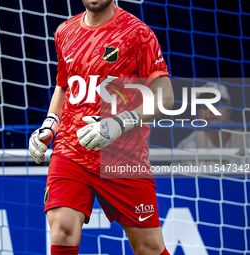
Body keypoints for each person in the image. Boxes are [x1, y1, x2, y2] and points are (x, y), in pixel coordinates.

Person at [29, 1, 174, 254]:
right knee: (62, 228)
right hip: (71, 150)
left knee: (149, 248)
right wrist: (50, 124)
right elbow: (64, 86)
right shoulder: (65, 31)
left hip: (123, 156)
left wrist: (119, 123)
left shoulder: (137, 33)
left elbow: (165, 97)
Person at [177, 82, 250, 165]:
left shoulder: (247, 141)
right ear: (198, 114)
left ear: (229, 110)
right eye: (204, 106)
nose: (211, 110)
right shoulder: (187, 146)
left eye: (216, 104)